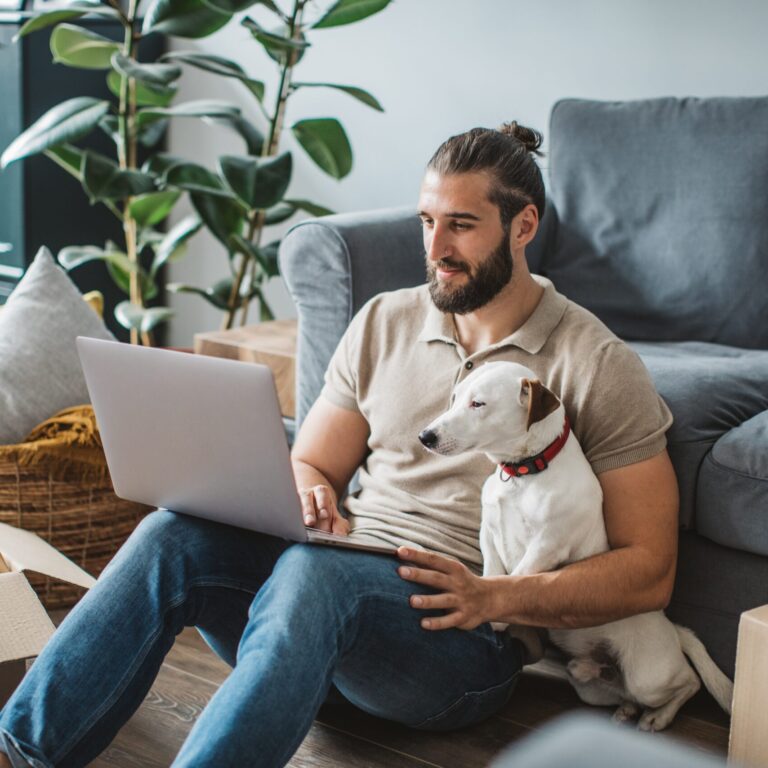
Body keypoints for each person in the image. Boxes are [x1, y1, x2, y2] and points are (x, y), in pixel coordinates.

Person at [0, 122, 678, 768]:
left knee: (313, 576)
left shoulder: (594, 363)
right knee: (170, 535)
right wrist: (311, 489)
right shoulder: (385, 320)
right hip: (316, 612)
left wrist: (497, 597)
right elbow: (314, 461)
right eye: (427, 222)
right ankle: (24, 752)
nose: (436, 246)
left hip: (460, 646)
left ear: (523, 225)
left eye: (462, 226)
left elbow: (651, 568)